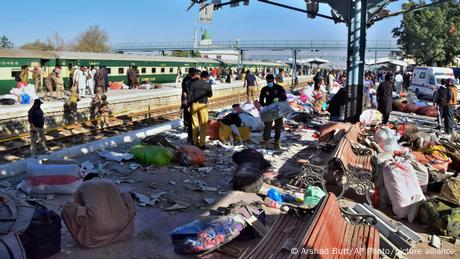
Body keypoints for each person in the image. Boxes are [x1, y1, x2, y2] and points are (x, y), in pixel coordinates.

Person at [61, 174, 135, 248]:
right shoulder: (111, 182)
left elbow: (79, 205)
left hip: (98, 229)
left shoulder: (82, 186)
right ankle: (120, 233)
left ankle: (87, 236)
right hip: (121, 224)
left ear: (85, 180)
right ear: (99, 178)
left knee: (67, 207)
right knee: (125, 195)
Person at [259, 74, 287, 149]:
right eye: (268, 81)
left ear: (273, 80)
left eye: (270, 81)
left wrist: (279, 98)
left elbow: (284, 97)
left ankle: (276, 141)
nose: (269, 82)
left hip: (278, 109)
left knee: (278, 126)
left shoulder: (279, 88)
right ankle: (266, 142)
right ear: (266, 81)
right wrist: (264, 106)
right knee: (267, 126)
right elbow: (261, 100)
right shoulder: (264, 89)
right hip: (269, 111)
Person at [189, 70, 213, 149]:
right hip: (203, 106)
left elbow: (190, 95)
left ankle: (195, 143)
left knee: (194, 125)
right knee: (203, 125)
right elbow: (210, 95)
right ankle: (202, 144)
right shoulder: (207, 84)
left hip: (194, 105)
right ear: (206, 77)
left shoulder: (193, 84)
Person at [181, 68, 200, 143]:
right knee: (192, 120)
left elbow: (184, 92)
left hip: (188, 102)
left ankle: (191, 137)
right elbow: (187, 92)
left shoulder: (186, 79)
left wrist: (184, 100)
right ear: (193, 74)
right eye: (197, 74)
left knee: (190, 120)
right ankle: (192, 138)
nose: (198, 75)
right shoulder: (192, 81)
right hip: (191, 102)